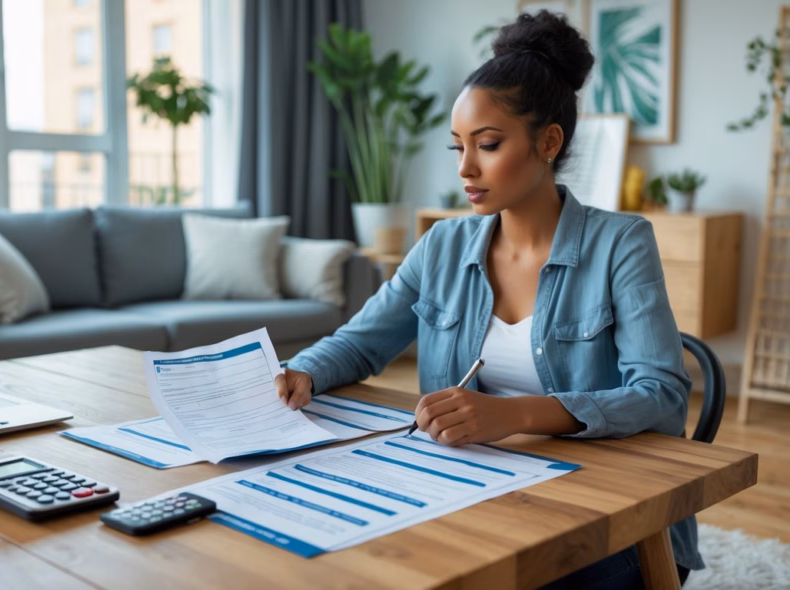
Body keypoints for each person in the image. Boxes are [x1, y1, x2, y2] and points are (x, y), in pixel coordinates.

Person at [273, 10, 702, 589]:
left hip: (610, 515)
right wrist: (303, 370)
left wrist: (513, 414)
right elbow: (359, 343)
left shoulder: (620, 242)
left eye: (489, 144)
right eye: (458, 147)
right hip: (475, 492)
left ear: (549, 141)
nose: (466, 168)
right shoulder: (443, 244)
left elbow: (662, 394)